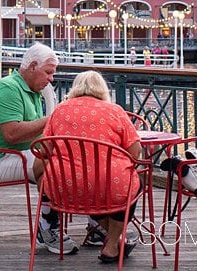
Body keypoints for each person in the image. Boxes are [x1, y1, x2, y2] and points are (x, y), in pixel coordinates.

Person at [0, 42, 79, 255]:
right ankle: (48, 225)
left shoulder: (31, 89)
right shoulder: (7, 88)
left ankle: (92, 223)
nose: (51, 78)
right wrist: (52, 119)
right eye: (48, 72)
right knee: (51, 165)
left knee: (73, 161)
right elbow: (12, 135)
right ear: (32, 66)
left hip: (18, 154)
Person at [42, 70, 142, 264]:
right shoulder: (115, 110)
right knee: (129, 185)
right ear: (103, 89)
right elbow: (135, 152)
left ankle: (116, 238)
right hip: (107, 186)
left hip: (63, 188)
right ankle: (113, 244)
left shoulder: (60, 110)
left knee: (91, 186)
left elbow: (45, 148)